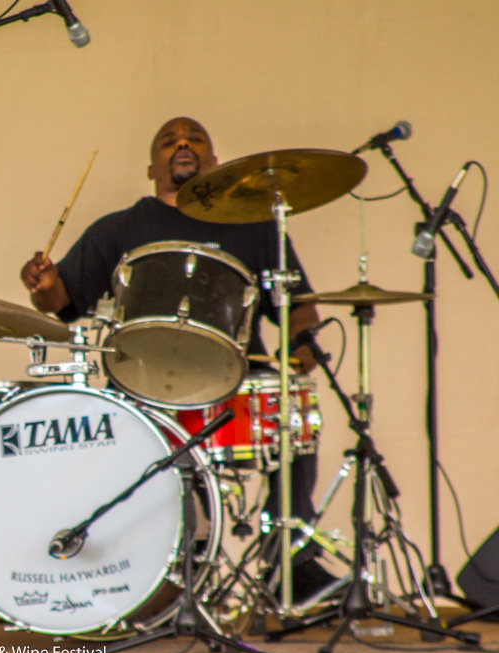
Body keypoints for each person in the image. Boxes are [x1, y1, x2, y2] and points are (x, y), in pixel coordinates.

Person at [20, 116, 335, 601]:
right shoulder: (120, 228)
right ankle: (174, 568)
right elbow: (60, 301)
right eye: (169, 140)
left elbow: (299, 310)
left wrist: (301, 346)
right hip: (143, 382)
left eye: (194, 138)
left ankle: (292, 562)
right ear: (152, 169)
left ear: (214, 161)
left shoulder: (253, 226)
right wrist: (43, 285)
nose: (182, 142)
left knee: (293, 413)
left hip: (236, 376)